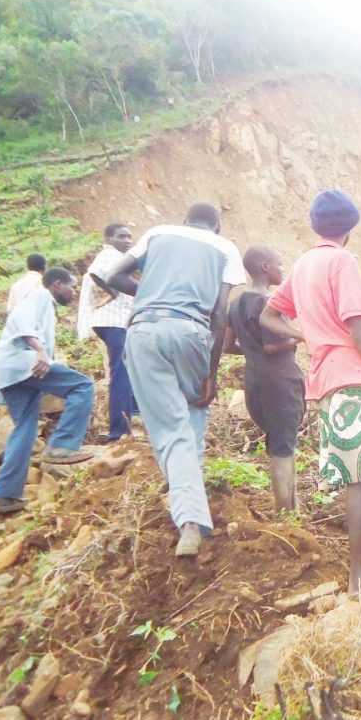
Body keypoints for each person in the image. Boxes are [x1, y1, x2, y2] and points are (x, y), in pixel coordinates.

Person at [260, 189, 361, 603]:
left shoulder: (305, 263)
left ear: (314, 225)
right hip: (351, 376)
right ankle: (359, 581)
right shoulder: (343, 261)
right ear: (351, 228)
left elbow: (268, 315)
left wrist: (307, 334)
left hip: (326, 378)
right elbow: (358, 327)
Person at [104, 203, 244, 557]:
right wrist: (211, 374)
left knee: (170, 428)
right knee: (193, 417)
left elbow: (113, 276)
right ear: (217, 226)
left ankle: (189, 514)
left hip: (147, 330)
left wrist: (152, 292)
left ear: (185, 220)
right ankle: (190, 509)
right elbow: (219, 311)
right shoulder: (225, 247)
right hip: (192, 333)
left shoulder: (159, 233)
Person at [0, 268, 95, 515]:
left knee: (26, 427)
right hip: (21, 361)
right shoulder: (40, 295)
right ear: (56, 284)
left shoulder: (43, 301)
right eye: (70, 287)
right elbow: (21, 323)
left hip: (8, 371)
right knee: (83, 385)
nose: (72, 293)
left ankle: (3, 496)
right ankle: (62, 445)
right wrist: (40, 352)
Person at [223, 246, 305, 513]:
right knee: (284, 446)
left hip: (254, 381)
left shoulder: (236, 302)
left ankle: (291, 506)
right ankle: (285, 513)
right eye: (279, 264)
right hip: (280, 381)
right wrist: (299, 338)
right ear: (265, 267)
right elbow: (273, 346)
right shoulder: (267, 302)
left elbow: (227, 345)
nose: (283, 269)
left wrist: (251, 349)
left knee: (278, 441)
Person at [76, 223, 137, 443]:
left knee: (128, 367)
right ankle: (119, 430)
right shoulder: (109, 256)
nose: (127, 240)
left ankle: (132, 413)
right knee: (121, 371)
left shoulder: (115, 257)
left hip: (115, 321)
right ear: (108, 238)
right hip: (114, 321)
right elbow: (99, 274)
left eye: (129, 236)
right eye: (121, 236)